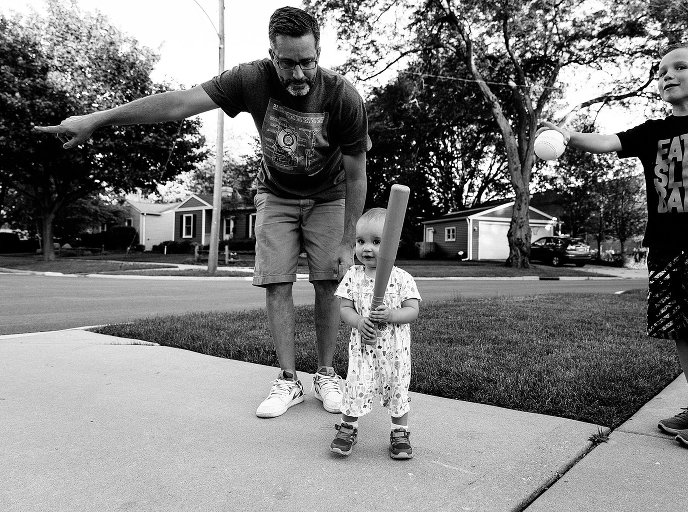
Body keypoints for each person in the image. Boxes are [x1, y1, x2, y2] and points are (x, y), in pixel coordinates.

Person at [35, 7, 370, 419]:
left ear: (318, 52)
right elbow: (178, 104)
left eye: (307, 62)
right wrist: (100, 118)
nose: (298, 75)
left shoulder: (342, 96)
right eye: (287, 64)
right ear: (271, 54)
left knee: (327, 283)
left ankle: (325, 374)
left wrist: (346, 239)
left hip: (329, 195)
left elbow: (357, 177)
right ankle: (287, 380)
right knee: (277, 282)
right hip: (276, 193)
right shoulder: (249, 79)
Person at [539, 42, 688, 451]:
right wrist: (569, 134)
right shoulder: (653, 132)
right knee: (680, 328)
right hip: (666, 246)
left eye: (679, 67)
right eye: (661, 70)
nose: (667, 74)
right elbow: (607, 141)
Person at [330, 208, 421, 459]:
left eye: (376, 242)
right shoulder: (353, 276)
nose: (366, 248)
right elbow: (344, 308)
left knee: (397, 388)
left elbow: (412, 311)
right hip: (362, 350)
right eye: (361, 241)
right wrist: (358, 321)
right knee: (355, 386)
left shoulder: (402, 278)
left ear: (393, 244)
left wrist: (392, 314)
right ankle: (348, 427)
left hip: (395, 353)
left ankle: (399, 431)